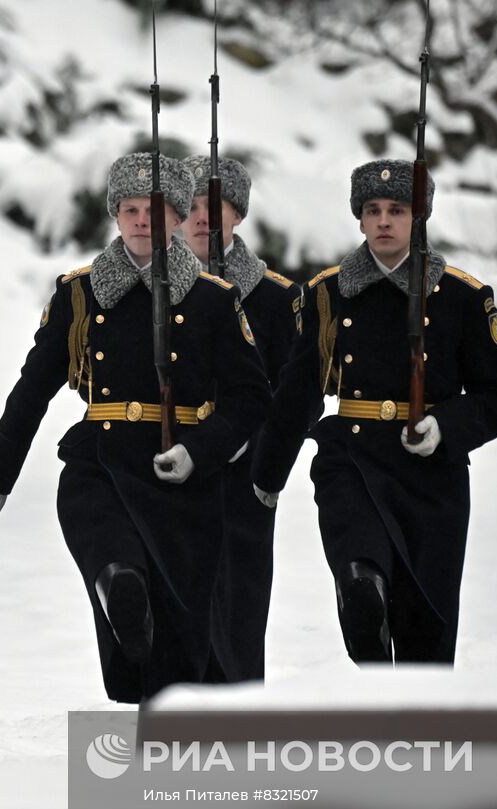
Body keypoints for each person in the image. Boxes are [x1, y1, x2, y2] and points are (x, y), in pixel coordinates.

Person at [0, 152, 271, 702]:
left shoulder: (213, 301)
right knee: (114, 559)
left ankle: (166, 736)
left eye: (153, 211)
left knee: (176, 649)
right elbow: (33, 387)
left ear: (179, 218)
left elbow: (251, 398)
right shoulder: (79, 295)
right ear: (114, 215)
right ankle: (117, 584)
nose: (139, 221)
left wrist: (199, 451)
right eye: (128, 209)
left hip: (182, 481)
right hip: (100, 464)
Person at [251, 158, 497, 664]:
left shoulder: (461, 298)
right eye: (372, 210)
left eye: (397, 210)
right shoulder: (328, 294)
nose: (383, 221)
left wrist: (446, 426)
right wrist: (266, 476)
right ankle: (361, 600)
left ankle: (419, 733)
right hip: (352, 456)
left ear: (418, 219)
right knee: (361, 563)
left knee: (427, 629)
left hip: (432, 476)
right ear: (358, 218)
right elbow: (298, 390)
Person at [181, 154, 305, 681]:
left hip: (242, 475)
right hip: (167, 466)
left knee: (238, 607)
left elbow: (295, 390)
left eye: (219, 206)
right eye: (192, 206)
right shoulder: (150, 288)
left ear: (238, 214)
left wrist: (258, 455)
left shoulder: (276, 298)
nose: (205, 217)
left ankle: (238, 721)